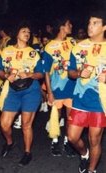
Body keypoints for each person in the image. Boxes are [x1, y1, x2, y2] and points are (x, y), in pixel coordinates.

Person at [0, 21, 44, 166]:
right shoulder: (6, 51)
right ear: (17, 33)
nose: (27, 34)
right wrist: (6, 76)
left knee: (26, 125)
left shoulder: (33, 52)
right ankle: (9, 143)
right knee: (4, 124)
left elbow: (40, 74)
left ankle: (27, 152)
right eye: (24, 31)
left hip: (31, 91)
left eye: (29, 32)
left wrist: (30, 74)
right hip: (13, 91)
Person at [67, 10, 106, 173]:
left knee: (94, 139)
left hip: (100, 101)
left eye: (95, 23)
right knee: (72, 137)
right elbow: (70, 72)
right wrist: (78, 73)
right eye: (89, 23)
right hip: (80, 99)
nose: (90, 26)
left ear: (104, 27)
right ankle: (84, 154)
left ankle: (91, 170)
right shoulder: (78, 47)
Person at [42, 17, 77, 157]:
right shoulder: (49, 46)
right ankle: (55, 140)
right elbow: (46, 72)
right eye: (69, 24)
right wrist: (49, 92)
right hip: (56, 87)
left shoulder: (73, 42)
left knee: (70, 117)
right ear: (62, 26)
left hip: (72, 86)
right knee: (56, 115)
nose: (71, 26)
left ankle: (67, 142)